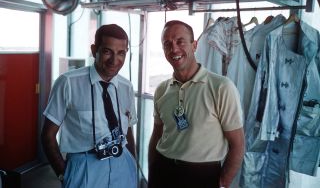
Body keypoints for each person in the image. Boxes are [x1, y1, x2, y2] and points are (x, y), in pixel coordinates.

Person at [148, 20, 245, 188]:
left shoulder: (221, 87)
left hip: (202, 176)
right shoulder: (162, 89)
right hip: (163, 172)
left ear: (194, 45)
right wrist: (152, 172)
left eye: (180, 41)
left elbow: (238, 145)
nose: (174, 49)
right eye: (167, 44)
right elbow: (156, 136)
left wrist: (222, 183)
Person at [41, 24, 138, 188]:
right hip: (85, 166)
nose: (115, 60)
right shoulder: (68, 83)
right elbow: (47, 135)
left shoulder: (126, 86)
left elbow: (128, 130)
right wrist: (64, 174)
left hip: (123, 164)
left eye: (121, 53)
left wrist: (132, 164)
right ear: (94, 50)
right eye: (108, 51)